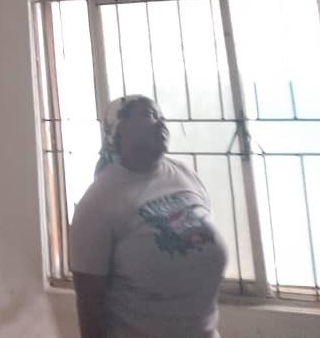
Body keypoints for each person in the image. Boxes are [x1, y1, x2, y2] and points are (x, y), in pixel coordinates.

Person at [70, 94, 227, 338]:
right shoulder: (98, 201)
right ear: (120, 130)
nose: (162, 123)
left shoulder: (184, 174)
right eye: (150, 115)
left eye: (161, 116)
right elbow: (90, 303)